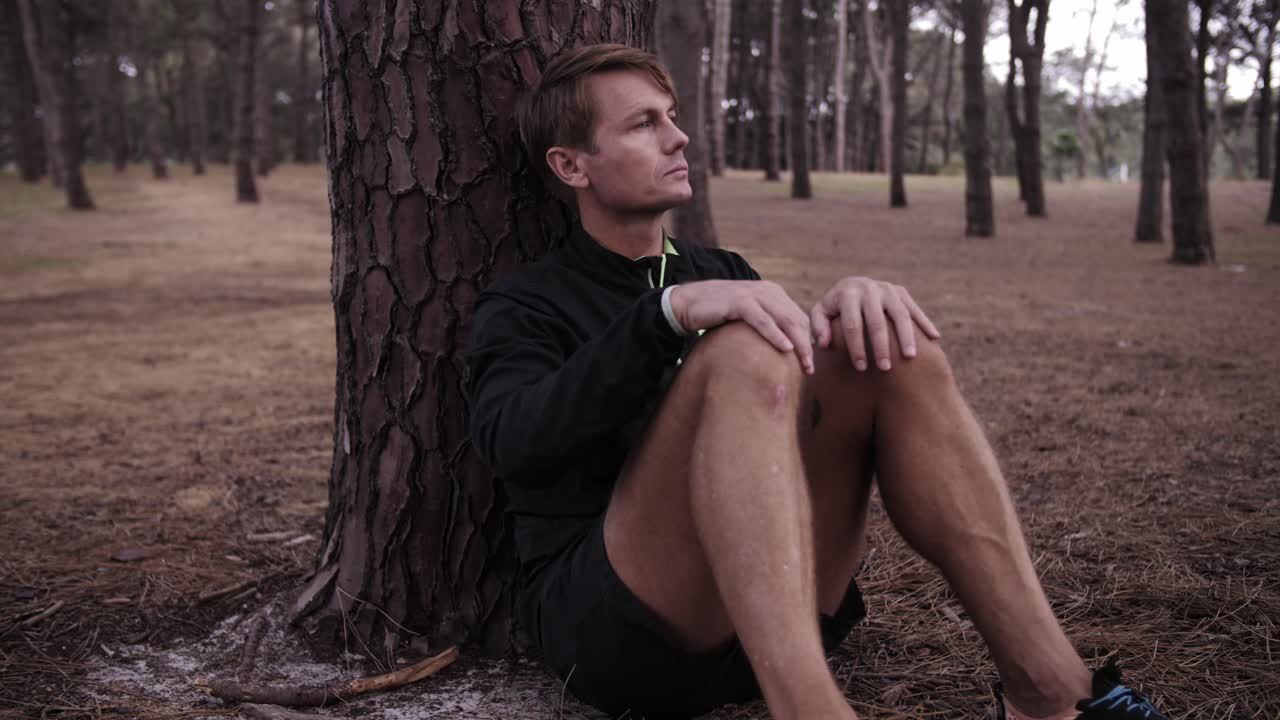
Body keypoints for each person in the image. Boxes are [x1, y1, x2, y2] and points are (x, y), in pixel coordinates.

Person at [466, 44, 1171, 720]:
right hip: (624, 633)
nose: (678, 138)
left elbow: (789, 399)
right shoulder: (527, 303)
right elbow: (511, 441)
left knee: (891, 345)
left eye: (672, 115)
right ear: (571, 165)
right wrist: (665, 316)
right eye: (644, 124)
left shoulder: (720, 269)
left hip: (774, 619)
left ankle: (1051, 695)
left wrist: (847, 311)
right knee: (742, 346)